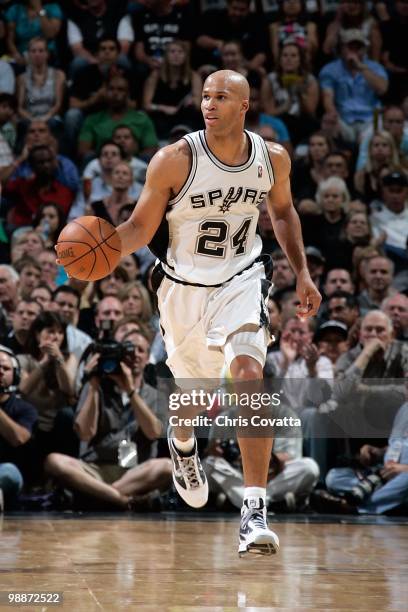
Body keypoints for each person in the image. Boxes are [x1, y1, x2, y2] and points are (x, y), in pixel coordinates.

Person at [81, 69, 322, 557]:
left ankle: (253, 512)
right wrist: (100, 252)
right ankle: (183, 441)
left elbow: (281, 213)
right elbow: (137, 227)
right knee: (194, 394)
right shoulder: (173, 160)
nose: (210, 104)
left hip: (242, 276)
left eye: (221, 97)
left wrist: (302, 271)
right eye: (206, 96)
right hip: (182, 288)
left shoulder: (271, 158)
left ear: (244, 106)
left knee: (251, 374)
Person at [44, 329, 171, 509]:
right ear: (119, 354)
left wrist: (130, 391)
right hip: (94, 469)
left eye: (141, 350)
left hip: (135, 474)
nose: (134, 355)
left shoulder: (156, 395)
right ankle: (121, 500)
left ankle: (99, 496)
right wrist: (94, 384)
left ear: (148, 357)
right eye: (129, 350)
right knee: (54, 461)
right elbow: (85, 434)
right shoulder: (96, 387)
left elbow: (153, 433)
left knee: (167, 466)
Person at [319, 29, 388, 141]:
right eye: (350, 47)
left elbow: (382, 89)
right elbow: (328, 98)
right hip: (343, 118)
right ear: (341, 48)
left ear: (365, 49)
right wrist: (333, 115)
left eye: (358, 47)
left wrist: (361, 67)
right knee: (328, 120)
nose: (354, 51)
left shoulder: (375, 68)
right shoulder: (330, 70)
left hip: (370, 118)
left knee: (379, 124)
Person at [78, 75, 158, 161]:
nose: (115, 93)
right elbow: (83, 150)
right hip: (103, 164)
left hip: (133, 166)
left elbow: (151, 149)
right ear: (105, 92)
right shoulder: (93, 120)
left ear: (127, 94)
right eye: (111, 89)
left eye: (120, 89)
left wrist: (129, 162)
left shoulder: (142, 120)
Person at [0, 346, 38, 510]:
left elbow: (18, 438)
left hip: (5, 471)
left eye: (5, 368)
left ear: (15, 375)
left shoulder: (25, 409)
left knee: (9, 473)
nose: (0, 371)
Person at [16, 37, 65, 133]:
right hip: (29, 118)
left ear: (47, 54)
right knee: (24, 125)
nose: (37, 54)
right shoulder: (22, 78)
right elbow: (20, 107)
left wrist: (44, 118)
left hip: (50, 117)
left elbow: (58, 104)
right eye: (33, 51)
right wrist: (32, 120)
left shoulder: (58, 75)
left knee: (53, 124)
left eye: (41, 51)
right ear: (29, 54)